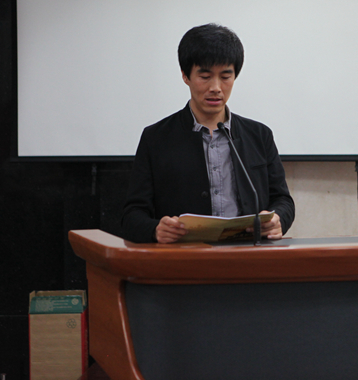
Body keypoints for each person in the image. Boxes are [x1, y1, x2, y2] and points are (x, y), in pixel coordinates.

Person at [120, 23, 295, 243]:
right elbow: (132, 216)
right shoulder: (156, 138)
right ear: (185, 76)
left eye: (225, 76)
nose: (216, 87)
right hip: (184, 255)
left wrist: (278, 219)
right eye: (205, 76)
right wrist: (156, 229)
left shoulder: (259, 135)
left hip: (247, 253)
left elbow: (283, 200)